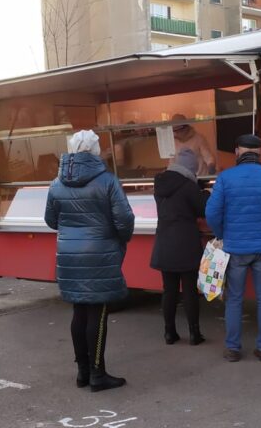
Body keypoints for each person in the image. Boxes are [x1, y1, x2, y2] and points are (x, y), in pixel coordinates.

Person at [45, 130, 135, 392]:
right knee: (97, 312)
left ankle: (82, 372)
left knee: (79, 311)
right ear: (96, 151)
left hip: (69, 255)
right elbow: (125, 219)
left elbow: (51, 220)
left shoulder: (56, 183)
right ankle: (98, 373)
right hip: (100, 254)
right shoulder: (108, 181)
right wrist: (119, 240)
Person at [205, 134, 261, 363]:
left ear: (237, 152)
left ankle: (233, 349)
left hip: (235, 248)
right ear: (260, 152)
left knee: (234, 298)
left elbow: (211, 213)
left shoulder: (225, 178)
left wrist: (223, 234)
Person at [151, 148, 209, 346]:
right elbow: (203, 209)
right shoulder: (188, 186)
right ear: (190, 168)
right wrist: (205, 193)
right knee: (190, 290)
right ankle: (194, 334)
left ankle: (169, 333)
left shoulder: (159, 183)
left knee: (169, 291)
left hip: (165, 242)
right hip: (185, 243)